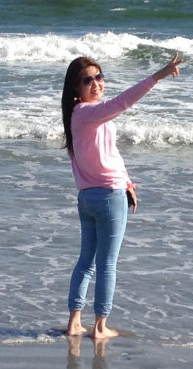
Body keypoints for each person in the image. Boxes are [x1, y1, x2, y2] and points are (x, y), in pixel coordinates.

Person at [61, 53, 183, 339]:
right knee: (106, 265)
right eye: (87, 80)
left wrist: (127, 182)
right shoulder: (87, 112)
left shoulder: (79, 116)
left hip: (89, 197)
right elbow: (122, 102)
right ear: (76, 88)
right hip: (108, 197)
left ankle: (74, 323)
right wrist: (158, 76)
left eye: (99, 77)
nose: (96, 84)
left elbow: (110, 153)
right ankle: (100, 327)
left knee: (86, 262)